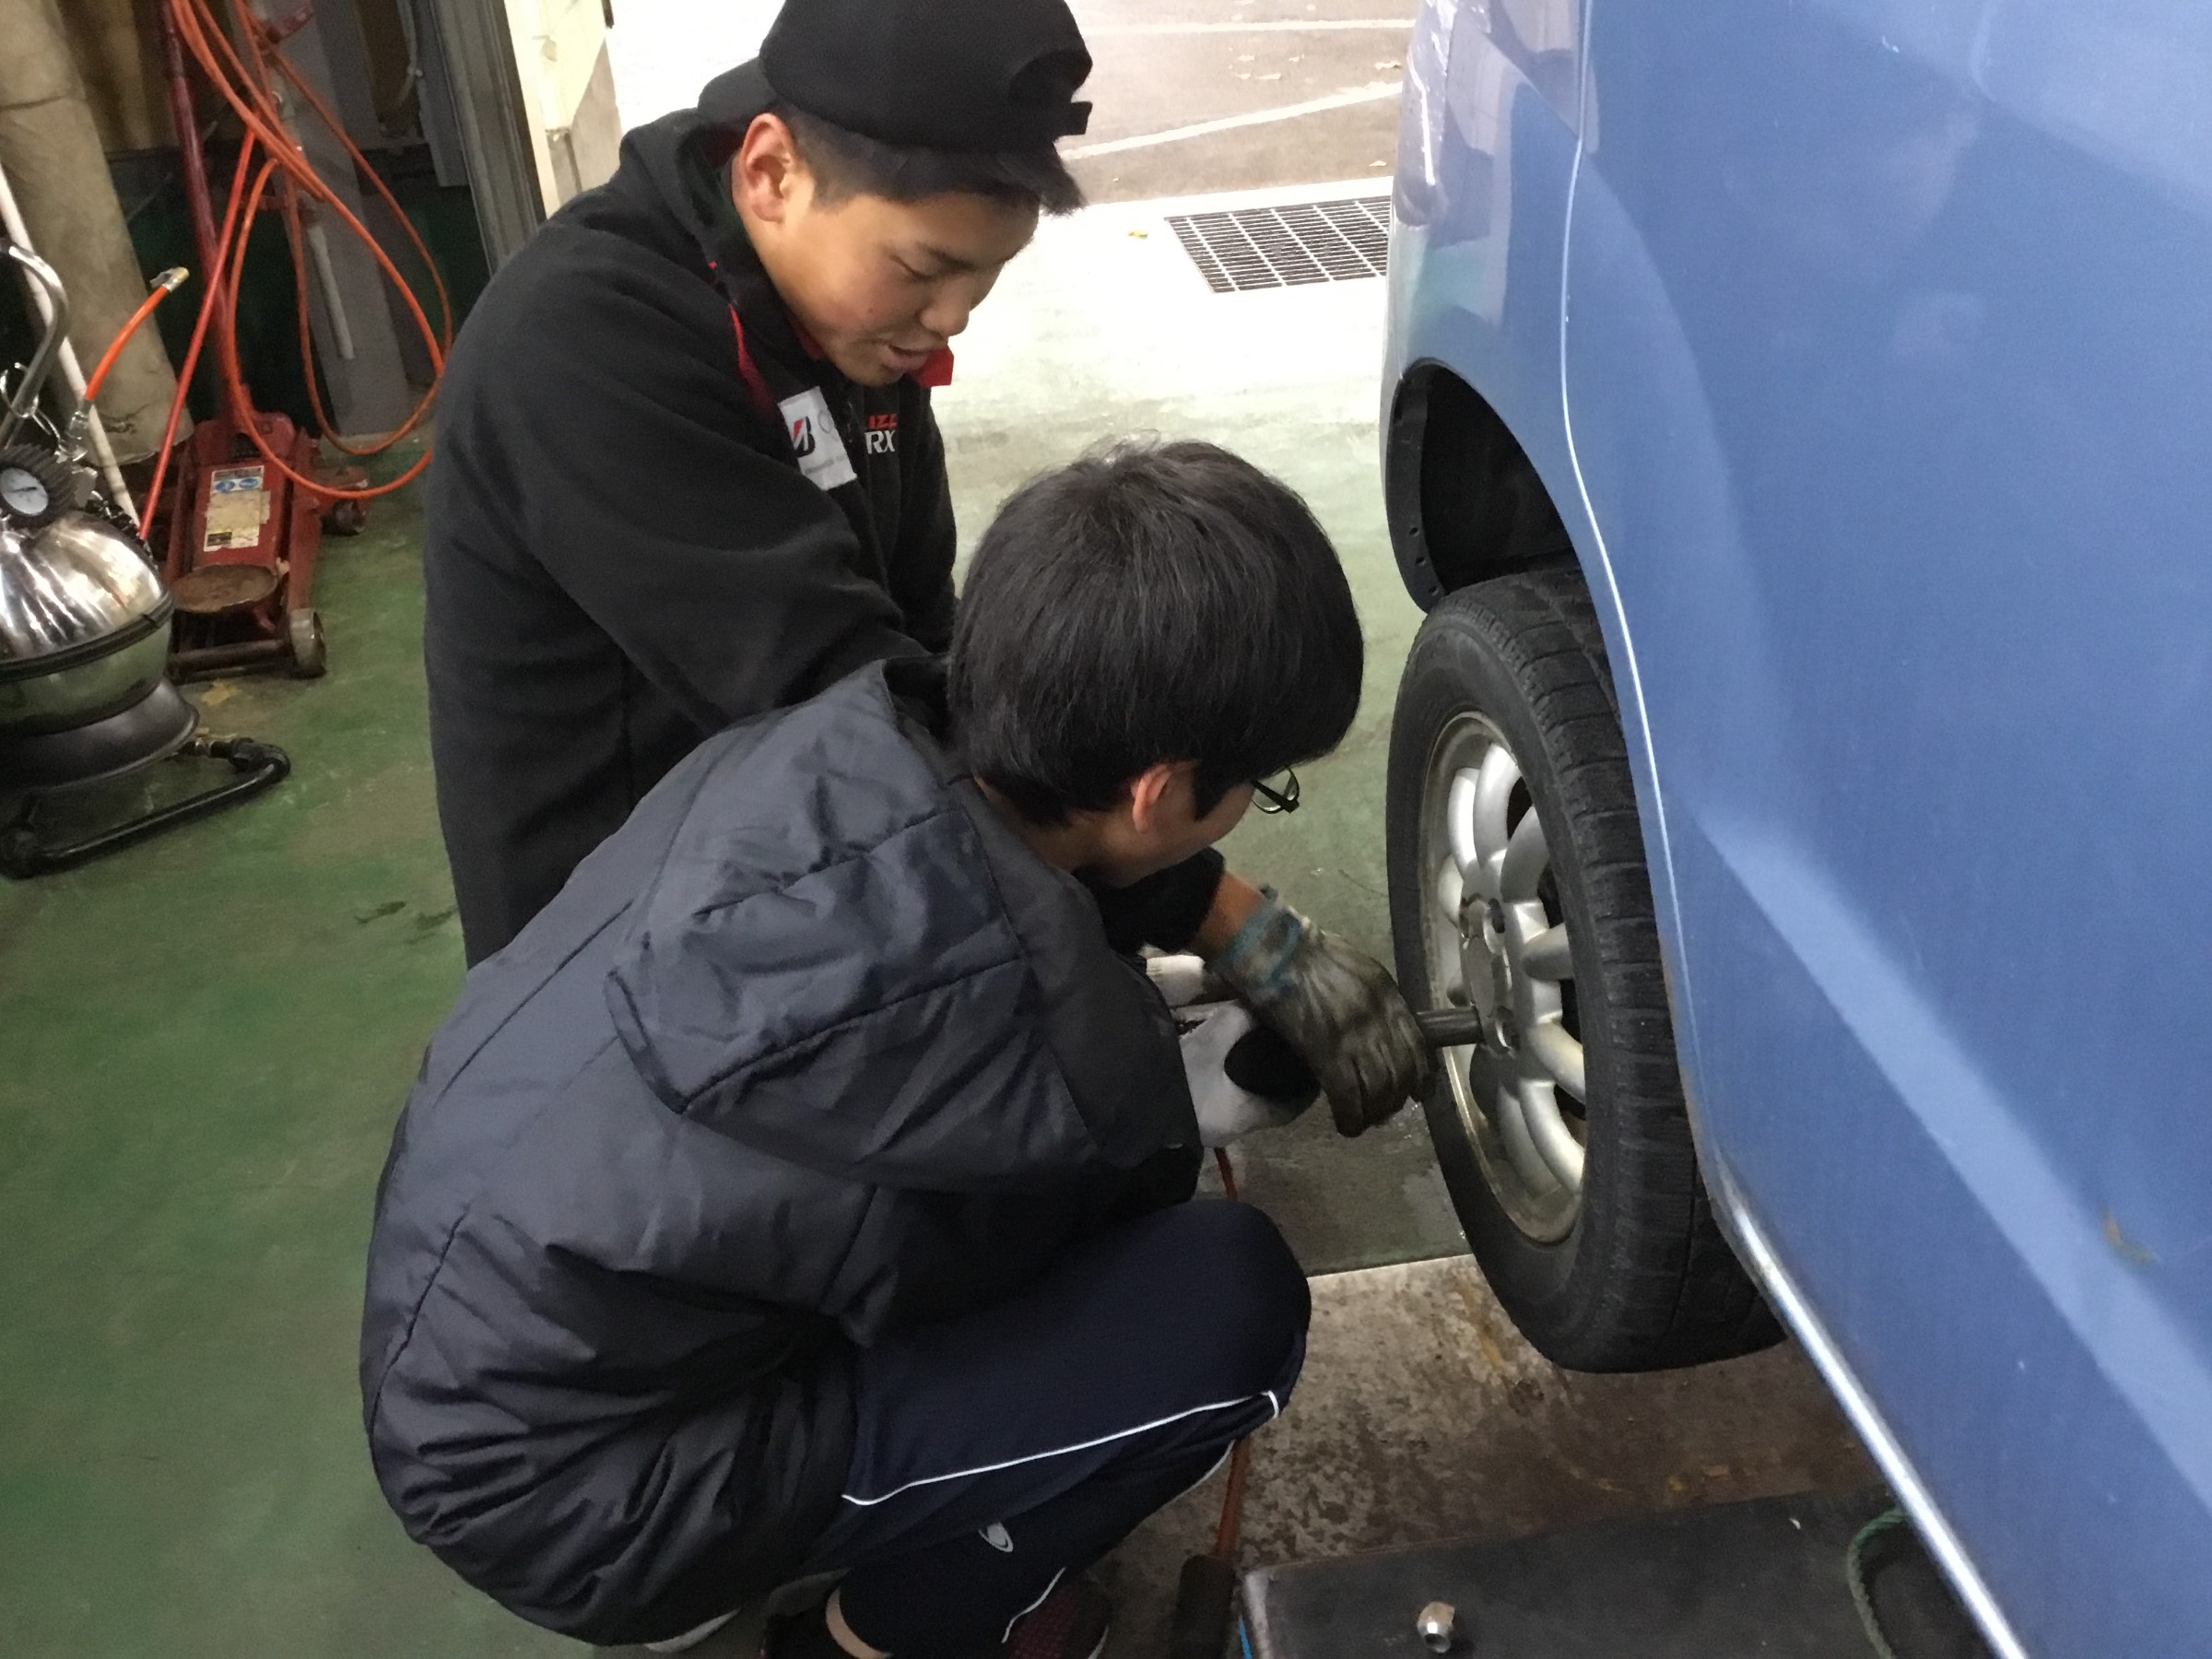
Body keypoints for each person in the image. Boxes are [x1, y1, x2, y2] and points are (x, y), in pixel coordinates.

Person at [362, 441, 1438, 1656]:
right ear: (1157, 792)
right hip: (587, 1503)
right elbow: (1035, 1261)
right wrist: (1160, 1083)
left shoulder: (823, 741)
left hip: (466, 1345)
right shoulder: (1050, 1062)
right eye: (1262, 785)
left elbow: (993, 921)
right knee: (1221, 1312)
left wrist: (1196, 973)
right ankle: (864, 1635)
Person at [420, 0, 1420, 1133]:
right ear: (771, 173)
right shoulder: (584, 349)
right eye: (923, 269)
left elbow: (950, 663)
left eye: (983, 278)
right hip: (632, 988)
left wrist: (1118, 900)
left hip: (784, 872)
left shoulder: (844, 320)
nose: (950, 323)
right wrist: (1213, 911)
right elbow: (851, 714)